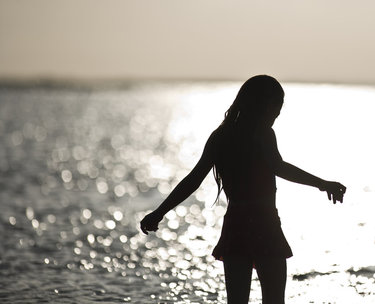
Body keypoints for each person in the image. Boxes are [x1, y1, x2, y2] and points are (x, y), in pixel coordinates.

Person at [140, 75, 346, 304]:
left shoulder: (221, 136)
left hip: (236, 226)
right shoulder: (263, 134)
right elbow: (279, 167)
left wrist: (160, 212)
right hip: (265, 225)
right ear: (261, 104)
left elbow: (193, 179)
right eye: (275, 108)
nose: (277, 114)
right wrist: (322, 184)